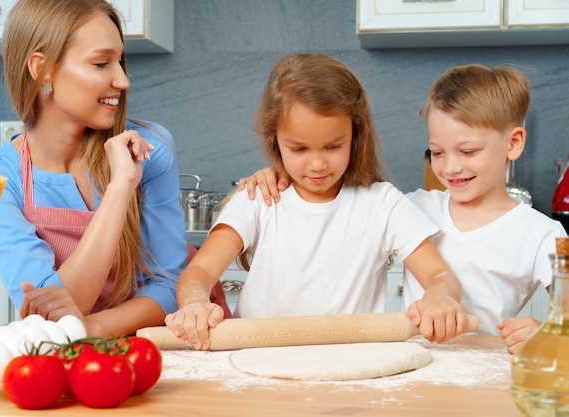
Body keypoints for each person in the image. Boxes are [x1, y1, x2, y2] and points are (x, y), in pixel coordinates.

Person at [241, 63, 568, 354]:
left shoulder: (542, 235)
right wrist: (279, 175)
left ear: (513, 143)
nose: (451, 167)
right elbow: (337, 198)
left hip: (482, 373)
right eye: (437, 152)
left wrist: (551, 336)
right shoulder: (415, 206)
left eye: (467, 151)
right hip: (412, 365)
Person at [164, 53, 468, 351]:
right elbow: (199, 273)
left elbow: (439, 276)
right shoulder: (258, 199)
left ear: (355, 136)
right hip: (261, 364)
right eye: (298, 149)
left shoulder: (382, 204)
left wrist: (440, 296)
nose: (318, 164)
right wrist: (195, 302)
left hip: (351, 365)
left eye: (333, 146)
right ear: (276, 141)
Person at [0, 0, 198, 338]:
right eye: (102, 63)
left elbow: (167, 284)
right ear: (42, 68)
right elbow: (48, 311)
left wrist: (89, 327)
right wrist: (120, 189)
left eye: (121, 61)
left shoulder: (149, 150)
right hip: (66, 354)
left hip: (157, 346)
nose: (122, 80)